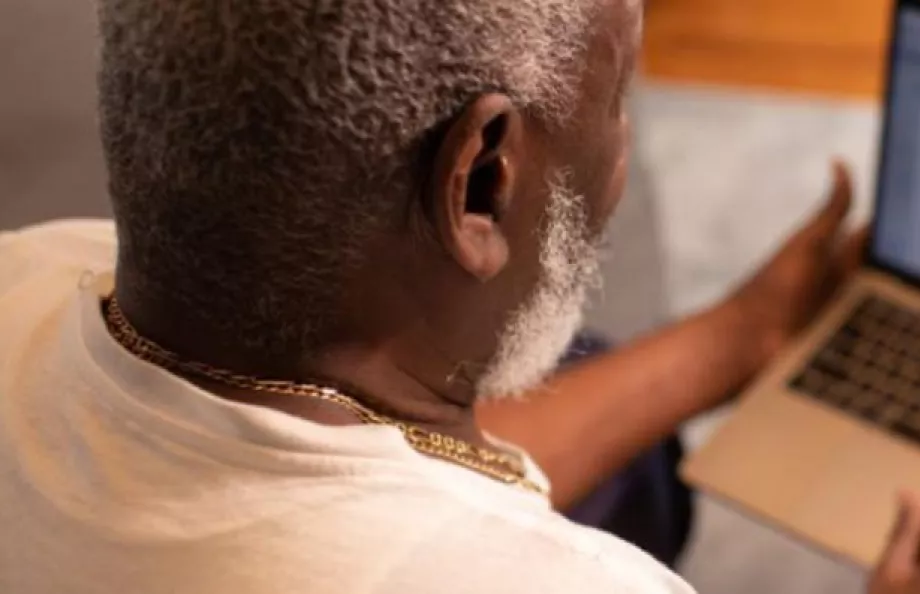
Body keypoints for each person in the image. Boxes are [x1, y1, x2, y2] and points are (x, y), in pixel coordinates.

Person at [1, 0, 919, 593]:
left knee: (614, 423)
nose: (626, 146)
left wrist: (737, 336)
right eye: (616, 100)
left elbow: (337, 458)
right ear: (482, 180)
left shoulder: (30, 270)